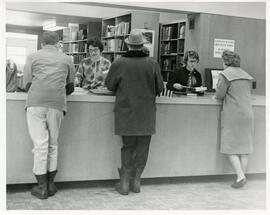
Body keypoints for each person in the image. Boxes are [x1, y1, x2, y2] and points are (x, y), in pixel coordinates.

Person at [105, 29, 164, 195]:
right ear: (142, 45)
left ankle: (124, 183)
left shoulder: (119, 63)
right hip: (146, 114)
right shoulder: (152, 64)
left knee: (127, 146)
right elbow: (160, 87)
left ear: (128, 44)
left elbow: (109, 85)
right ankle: (136, 182)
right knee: (143, 147)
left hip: (126, 113)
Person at [23, 31, 75, 199]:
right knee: (53, 143)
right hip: (57, 104)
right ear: (58, 43)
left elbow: (27, 84)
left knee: (40, 145)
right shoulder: (67, 59)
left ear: (42, 43)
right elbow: (71, 86)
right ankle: (51, 184)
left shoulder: (32, 56)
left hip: (36, 102)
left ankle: (41, 187)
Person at [215, 50, 254, 188]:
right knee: (244, 147)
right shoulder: (246, 76)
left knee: (229, 146)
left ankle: (240, 176)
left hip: (233, 114)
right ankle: (241, 177)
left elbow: (219, 94)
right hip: (248, 113)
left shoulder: (225, 75)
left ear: (225, 61)